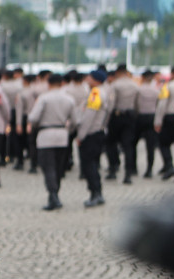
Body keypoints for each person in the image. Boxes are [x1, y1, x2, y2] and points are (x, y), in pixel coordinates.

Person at [27, 74, 78, 210]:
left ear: (48, 84)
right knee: (59, 168)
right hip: (62, 135)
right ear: (62, 83)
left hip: (46, 135)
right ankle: (55, 194)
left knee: (48, 167)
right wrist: (69, 129)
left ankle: (53, 195)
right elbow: (75, 120)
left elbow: (33, 117)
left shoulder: (44, 98)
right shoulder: (69, 99)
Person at [77, 70, 112, 208]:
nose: (87, 79)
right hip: (98, 131)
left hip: (91, 133)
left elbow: (89, 116)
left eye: (89, 77)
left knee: (89, 165)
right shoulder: (104, 91)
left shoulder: (96, 93)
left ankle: (95, 193)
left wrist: (81, 135)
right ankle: (96, 193)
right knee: (92, 164)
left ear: (96, 80)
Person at [106, 66, 138, 183]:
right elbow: (137, 103)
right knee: (128, 145)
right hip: (130, 116)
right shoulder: (134, 85)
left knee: (111, 143)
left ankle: (113, 169)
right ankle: (128, 174)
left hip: (117, 115)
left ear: (118, 72)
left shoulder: (115, 85)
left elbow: (111, 103)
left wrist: (106, 119)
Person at [134, 70, 159, 178]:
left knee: (132, 143)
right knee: (150, 145)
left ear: (142, 77)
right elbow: (159, 104)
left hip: (140, 117)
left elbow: (136, 105)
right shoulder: (156, 90)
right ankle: (149, 169)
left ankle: (133, 168)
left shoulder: (138, 90)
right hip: (152, 118)